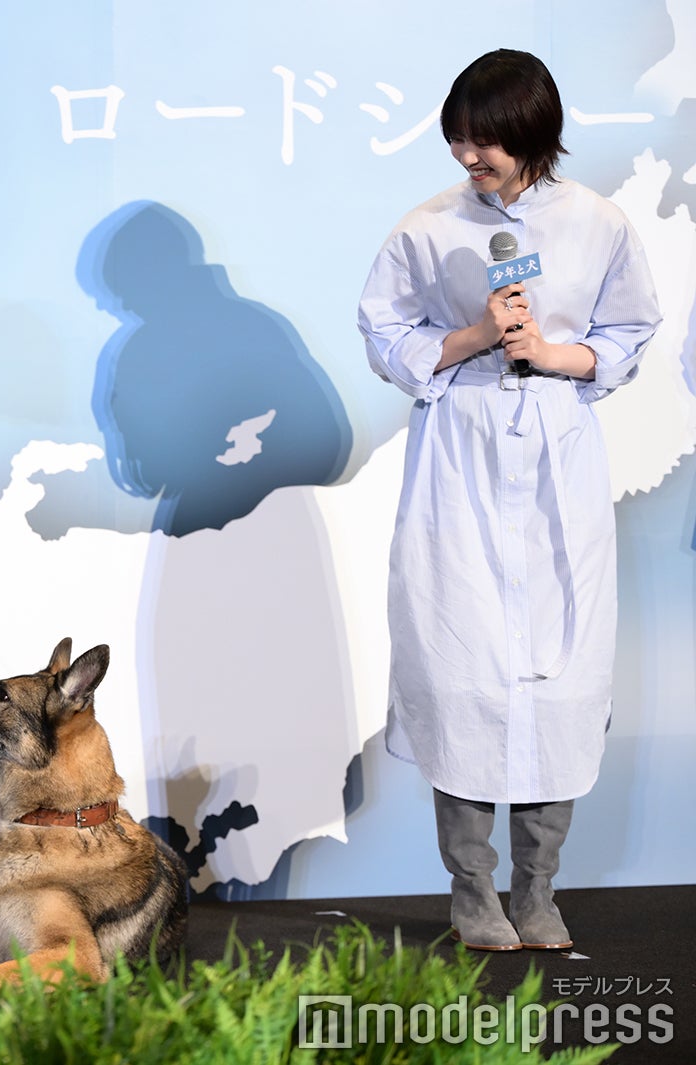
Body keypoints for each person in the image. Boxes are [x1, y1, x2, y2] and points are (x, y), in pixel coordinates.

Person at [358, 49, 659, 951]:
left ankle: (537, 891)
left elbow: (629, 330)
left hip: (558, 450)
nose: (468, 156)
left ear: (533, 134)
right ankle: (472, 892)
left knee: (560, 680)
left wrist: (552, 354)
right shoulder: (427, 227)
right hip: (461, 452)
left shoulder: (597, 224)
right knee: (461, 672)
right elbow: (385, 331)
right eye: (458, 139)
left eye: (484, 140)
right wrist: (476, 336)